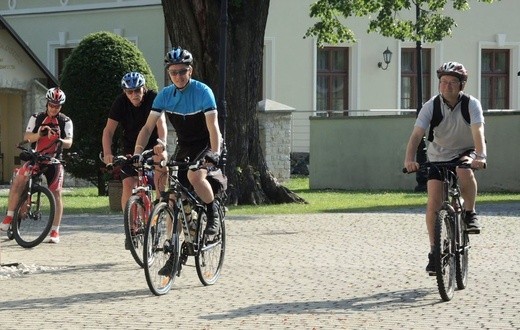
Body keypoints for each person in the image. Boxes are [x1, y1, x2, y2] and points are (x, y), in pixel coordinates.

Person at [403, 61, 487, 274]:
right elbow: (416, 135)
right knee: (434, 202)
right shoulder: (431, 106)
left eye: (452, 82)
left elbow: (478, 132)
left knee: (463, 170)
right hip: (438, 155)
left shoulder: (471, 104)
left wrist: (480, 156)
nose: (447, 86)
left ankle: (470, 213)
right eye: (443, 82)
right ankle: (435, 252)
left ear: (461, 85)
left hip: (465, 151)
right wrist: (409, 159)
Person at [133, 47, 222, 239]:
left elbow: (214, 128)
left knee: (195, 176)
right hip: (185, 146)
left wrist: (214, 153)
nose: (178, 76)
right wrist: (138, 152)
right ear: (169, 74)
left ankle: (211, 210)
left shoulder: (203, 92)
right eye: (174, 72)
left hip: (206, 144)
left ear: (190, 71)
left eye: (182, 71)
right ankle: (171, 249)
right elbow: (148, 128)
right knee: (173, 199)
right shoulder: (164, 95)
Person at [0, 87, 73, 243]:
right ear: (47, 103)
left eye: (57, 106)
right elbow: (27, 137)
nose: (53, 108)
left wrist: (59, 139)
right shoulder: (37, 118)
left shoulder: (65, 121)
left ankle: (55, 231)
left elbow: (69, 143)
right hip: (37, 157)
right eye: (51, 105)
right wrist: (40, 134)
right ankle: (9, 216)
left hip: (54, 160)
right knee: (19, 179)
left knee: (56, 192)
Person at [102, 72, 168, 214]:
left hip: (153, 145)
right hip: (130, 146)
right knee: (128, 184)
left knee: (161, 161)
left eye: (137, 90)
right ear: (124, 92)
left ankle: (160, 201)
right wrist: (108, 153)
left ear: (144, 88)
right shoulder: (120, 102)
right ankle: (130, 228)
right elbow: (108, 131)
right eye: (129, 92)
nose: (134, 95)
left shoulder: (153, 98)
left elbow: (161, 124)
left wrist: (161, 142)